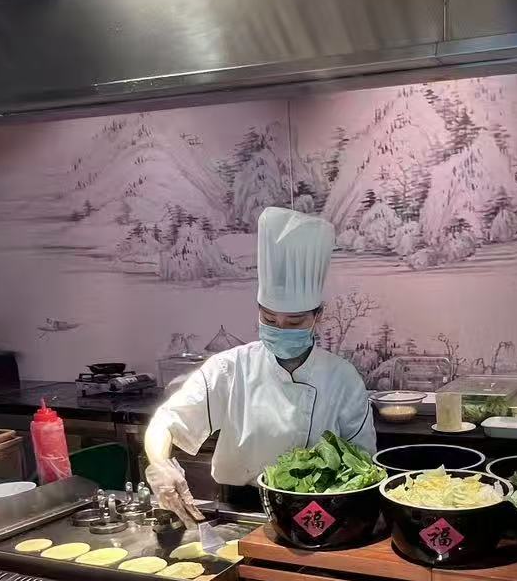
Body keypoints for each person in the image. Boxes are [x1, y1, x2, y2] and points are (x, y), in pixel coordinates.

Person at [144, 207, 374, 519]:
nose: (281, 328)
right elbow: (165, 422)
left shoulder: (342, 378)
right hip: (240, 508)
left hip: (321, 512)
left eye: (294, 322)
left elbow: (363, 463)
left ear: (318, 316)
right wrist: (160, 464)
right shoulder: (230, 368)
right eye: (269, 319)